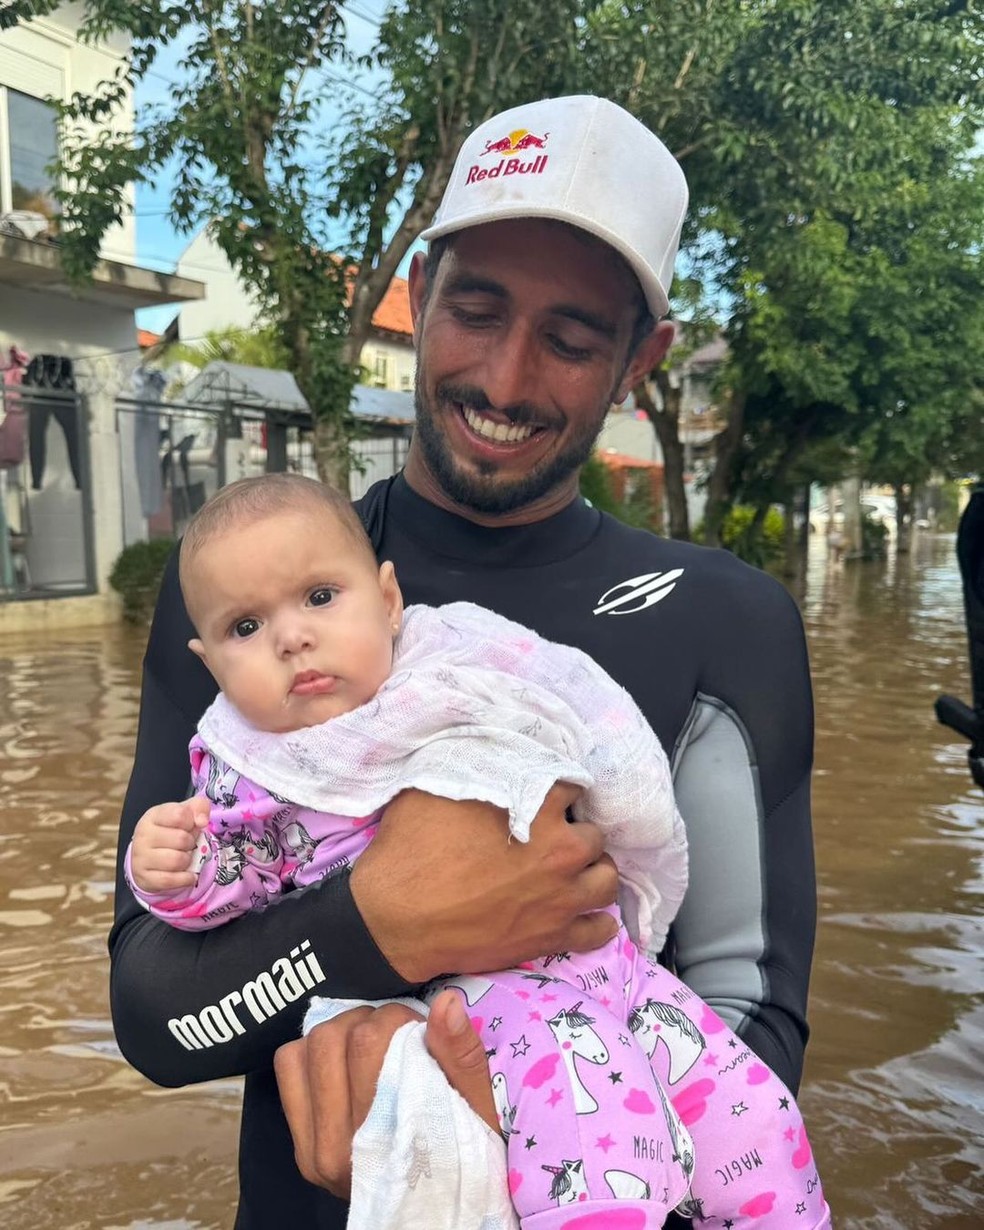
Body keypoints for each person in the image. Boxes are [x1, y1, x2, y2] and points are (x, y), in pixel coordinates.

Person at [111, 95, 818, 1229]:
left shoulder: (727, 622)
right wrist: (378, 924)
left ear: (644, 357)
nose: (505, 374)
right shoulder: (252, 601)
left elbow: (754, 1025)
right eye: (476, 308)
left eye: (573, 340)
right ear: (425, 284)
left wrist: (525, 1137)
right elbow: (151, 1017)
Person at [124, 473, 828, 1228]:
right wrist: (175, 870)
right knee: (596, 1152)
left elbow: (581, 751)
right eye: (246, 629)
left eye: (321, 598)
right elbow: (196, 936)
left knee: (756, 1117)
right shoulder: (255, 778)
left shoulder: (465, 673)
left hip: (621, 974)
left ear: (389, 602)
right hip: (495, 1015)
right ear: (211, 665)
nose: (291, 636)